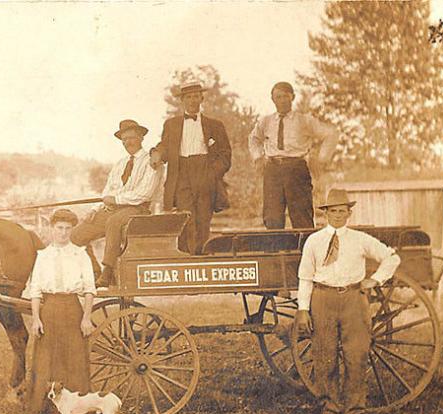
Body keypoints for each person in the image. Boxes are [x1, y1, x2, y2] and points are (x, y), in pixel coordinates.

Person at [295, 189, 400, 414]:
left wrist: (376, 279)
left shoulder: (359, 239)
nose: (338, 215)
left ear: (349, 213)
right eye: (333, 211)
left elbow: (392, 257)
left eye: (342, 211)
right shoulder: (314, 241)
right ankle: (330, 410)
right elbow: (305, 277)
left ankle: (355, 412)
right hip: (323, 299)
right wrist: (303, 309)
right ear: (325, 213)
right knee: (324, 356)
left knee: (357, 355)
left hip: (354, 299)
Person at [71, 119, 163, 287]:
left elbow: (145, 193)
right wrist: (95, 208)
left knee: (114, 222)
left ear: (141, 137)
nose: (128, 142)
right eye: (124, 139)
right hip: (113, 209)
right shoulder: (120, 164)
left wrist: (117, 200)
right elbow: (108, 190)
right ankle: (95, 272)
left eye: (132, 137)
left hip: (137, 209)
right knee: (76, 235)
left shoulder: (151, 161)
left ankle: (107, 274)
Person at [25, 208, 97, 414]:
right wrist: (36, 318)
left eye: (67, 229)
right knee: (46, 360)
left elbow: (89, 289)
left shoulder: (80, 254)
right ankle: (43, 413)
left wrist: (86, 317)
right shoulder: (43, 256)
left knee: (74, 359)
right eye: (59, 228)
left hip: (72, 308)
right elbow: (36, 290)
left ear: (71, 230)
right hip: (49, 310)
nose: (63, 233)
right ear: (52, 229)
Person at [150, 79, 232, 254]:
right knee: (185, 219)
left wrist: (211, 174)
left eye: (196, 96)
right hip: (181, 174)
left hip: (205, 173)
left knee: (203, 219)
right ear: (182, 100)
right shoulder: (171, 124)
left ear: (202, 99)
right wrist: (156, 153)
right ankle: (186, 260)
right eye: (188, 97)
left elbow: (225, 155)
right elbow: (164, 146)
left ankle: (201, 259)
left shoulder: (215, 125)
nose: (193, 101)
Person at [248, 81, 338, 230]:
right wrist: (258, 157)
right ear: (272, 99)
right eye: (278, 97)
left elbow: (330, 134)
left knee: (301, 215)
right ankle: (276, 252)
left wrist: (321, 159)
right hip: (273, 170)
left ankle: (305, 251)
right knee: (272, 217)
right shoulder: (266, 121)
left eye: (285, 97)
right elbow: (254, 139)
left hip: (296, 169)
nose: (282, 101)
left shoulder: (304, 120)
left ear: (293, 97)